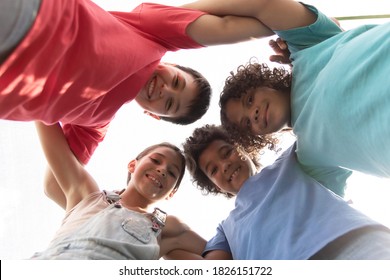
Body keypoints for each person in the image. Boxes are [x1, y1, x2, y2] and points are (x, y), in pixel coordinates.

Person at [0, 0, 276, 166]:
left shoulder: (94, 125)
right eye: (176, 82)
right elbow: (230, 24)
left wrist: (44, 111)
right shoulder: (153, 37)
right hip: (29, 19)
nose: (164, 89)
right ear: (169, 65)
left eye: (169, 103)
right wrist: (293, 29)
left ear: (153, 115)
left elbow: (58, 183)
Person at [190, 0, 390, 197]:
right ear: (257, 137)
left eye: (249, 100)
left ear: (263, 83)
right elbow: (319, 213)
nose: (254, 113)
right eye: (247, 123)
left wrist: (167, 15)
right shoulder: (310, 160)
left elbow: (261, 5)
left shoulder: (305, 47)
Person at [180, 124, 390, 259]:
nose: (224, 165)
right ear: (215, 185)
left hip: (352, 246)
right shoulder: (226, 229)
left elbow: (314, 124)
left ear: (243, 147)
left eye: (226, 153)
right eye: (213, 169)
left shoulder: (289, 162)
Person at [30, 121, 206, 259]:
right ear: (132, 165)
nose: (162, 170)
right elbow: (48, 128)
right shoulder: (87, 194)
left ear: (171, 193)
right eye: (155, 160)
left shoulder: (167, 229)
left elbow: (221, 257)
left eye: (172, 172)